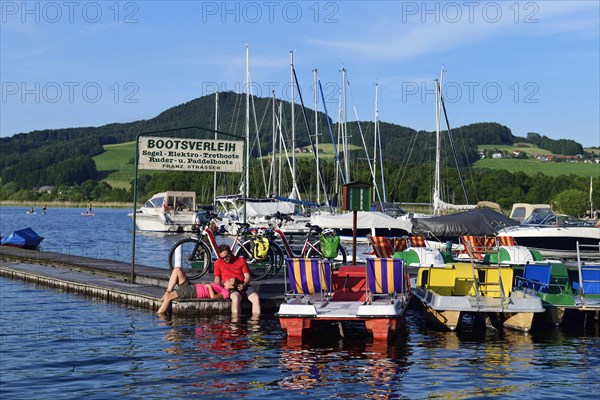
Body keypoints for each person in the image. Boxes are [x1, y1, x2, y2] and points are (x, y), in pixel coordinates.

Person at [157, 267, 239, 314]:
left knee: (169, 297)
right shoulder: (221, 286)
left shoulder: (225, 292)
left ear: (231, 286)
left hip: (195, 292)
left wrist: (209, 286)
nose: (227, 279)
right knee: (177, 270)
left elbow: (213, 297)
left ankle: (159, 316)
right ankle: (166, 292)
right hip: (193, 287)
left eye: (229, 281)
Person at [214, 244, 261, 315]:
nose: (225, 259)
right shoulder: (218, 262)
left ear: (230, 253)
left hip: (243, 284)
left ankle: (255, 322)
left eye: (226, 256)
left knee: (255, 298)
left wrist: (244, 285)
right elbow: (217, 279)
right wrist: (217, 289)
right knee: (236, 297)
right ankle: (235, 322)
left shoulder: (241, 260)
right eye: (222, 258)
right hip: (230, 286)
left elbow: (247, 276)